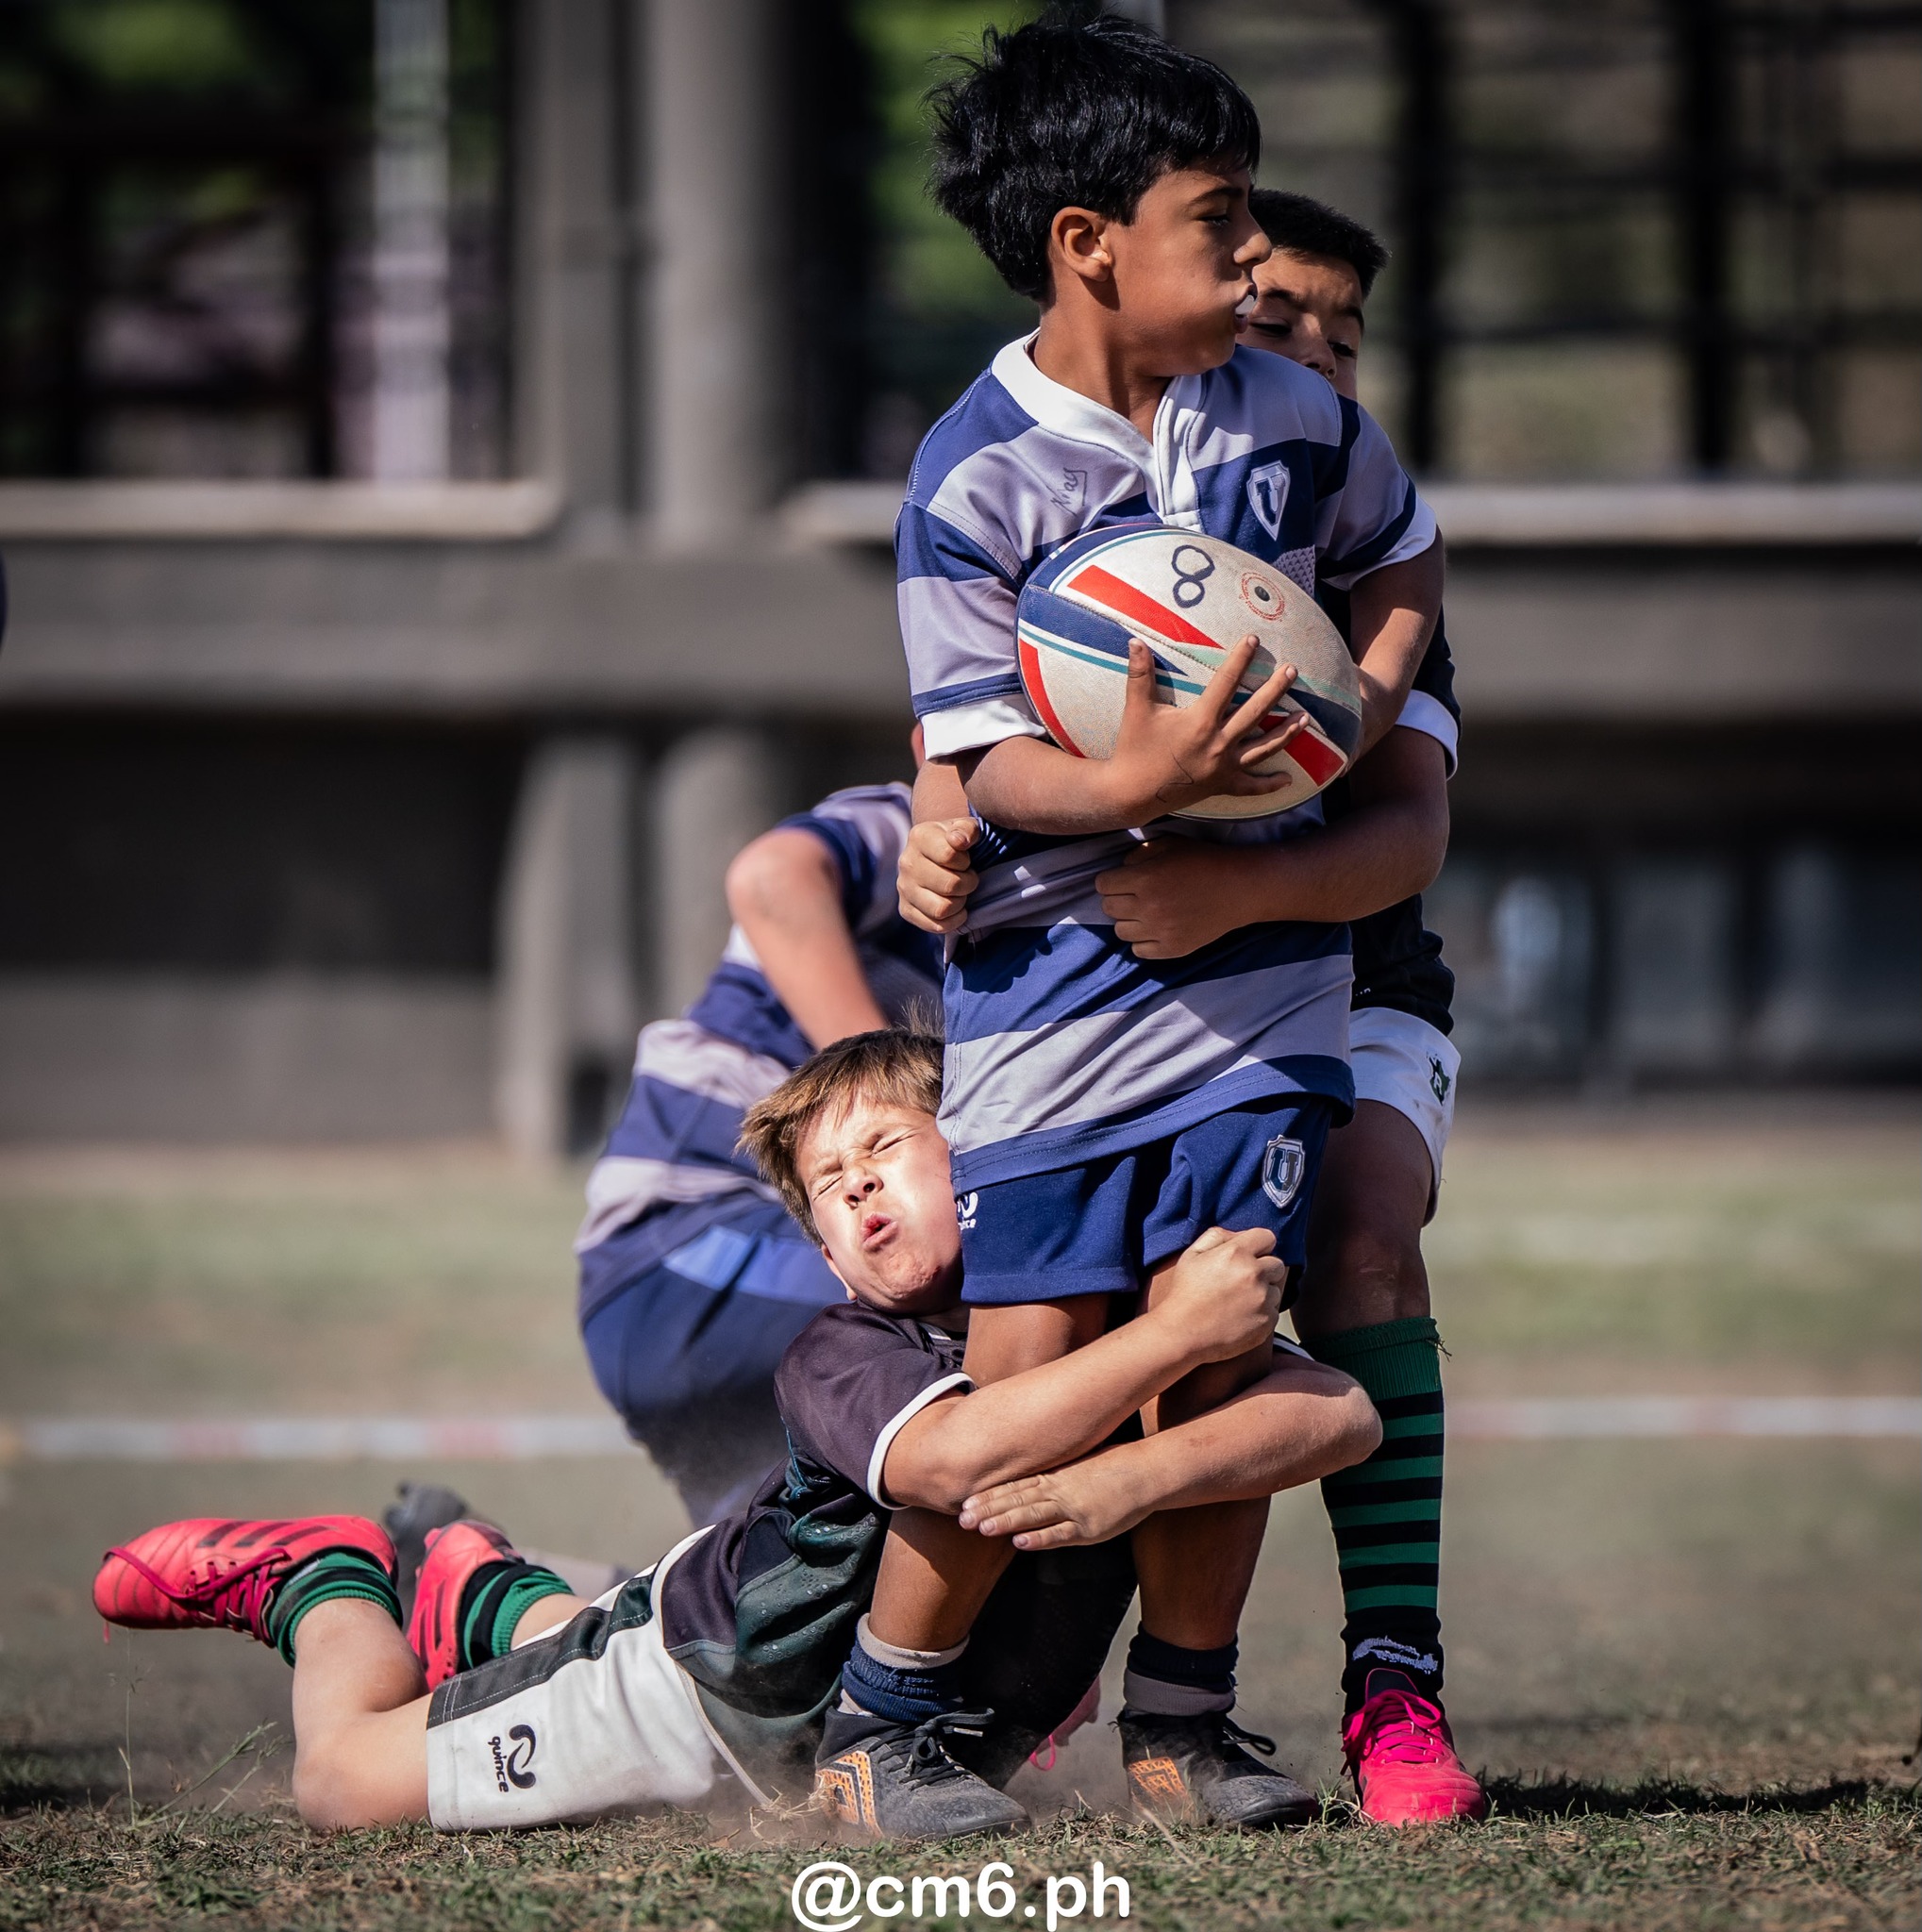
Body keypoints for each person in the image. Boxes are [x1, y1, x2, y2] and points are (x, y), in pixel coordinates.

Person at [851, 8, 1444, 1830]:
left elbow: (1400, 559)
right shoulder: (975, 475)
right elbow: (987, 757)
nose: (1256, 261)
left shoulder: (1291, 420)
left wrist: (1347, 704)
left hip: (1264, 990)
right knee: (1030, 1366)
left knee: (1214, 1330)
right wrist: (1117, 785)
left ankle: (1184, 1720)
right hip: (1047, 992)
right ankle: (890, 1719)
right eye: (1222, 221)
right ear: (1085, 245)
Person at [92, 1029, 1379, 1840]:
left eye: (888, 1146)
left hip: (743, 1620)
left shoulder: (1074, 1320)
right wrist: (1172, 1341)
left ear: (988, 1162)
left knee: (573, 1625)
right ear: (822, 1248)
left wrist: (1135, 1479)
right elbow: (950, 1465)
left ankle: (470, 1575)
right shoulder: (843, 1350)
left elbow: (1342, 1415)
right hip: (689, 1697)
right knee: (345, 1784)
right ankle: (319, 1576)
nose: (861, 1184)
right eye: (832, 1186)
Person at [575, 774, 942, 1524]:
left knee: (755, 1608)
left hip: (684, 1284)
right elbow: (772, 879)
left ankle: (472, 1590)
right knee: (1010, 1313)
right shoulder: (914, 822)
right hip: (686, 1244)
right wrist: (877, 1097)